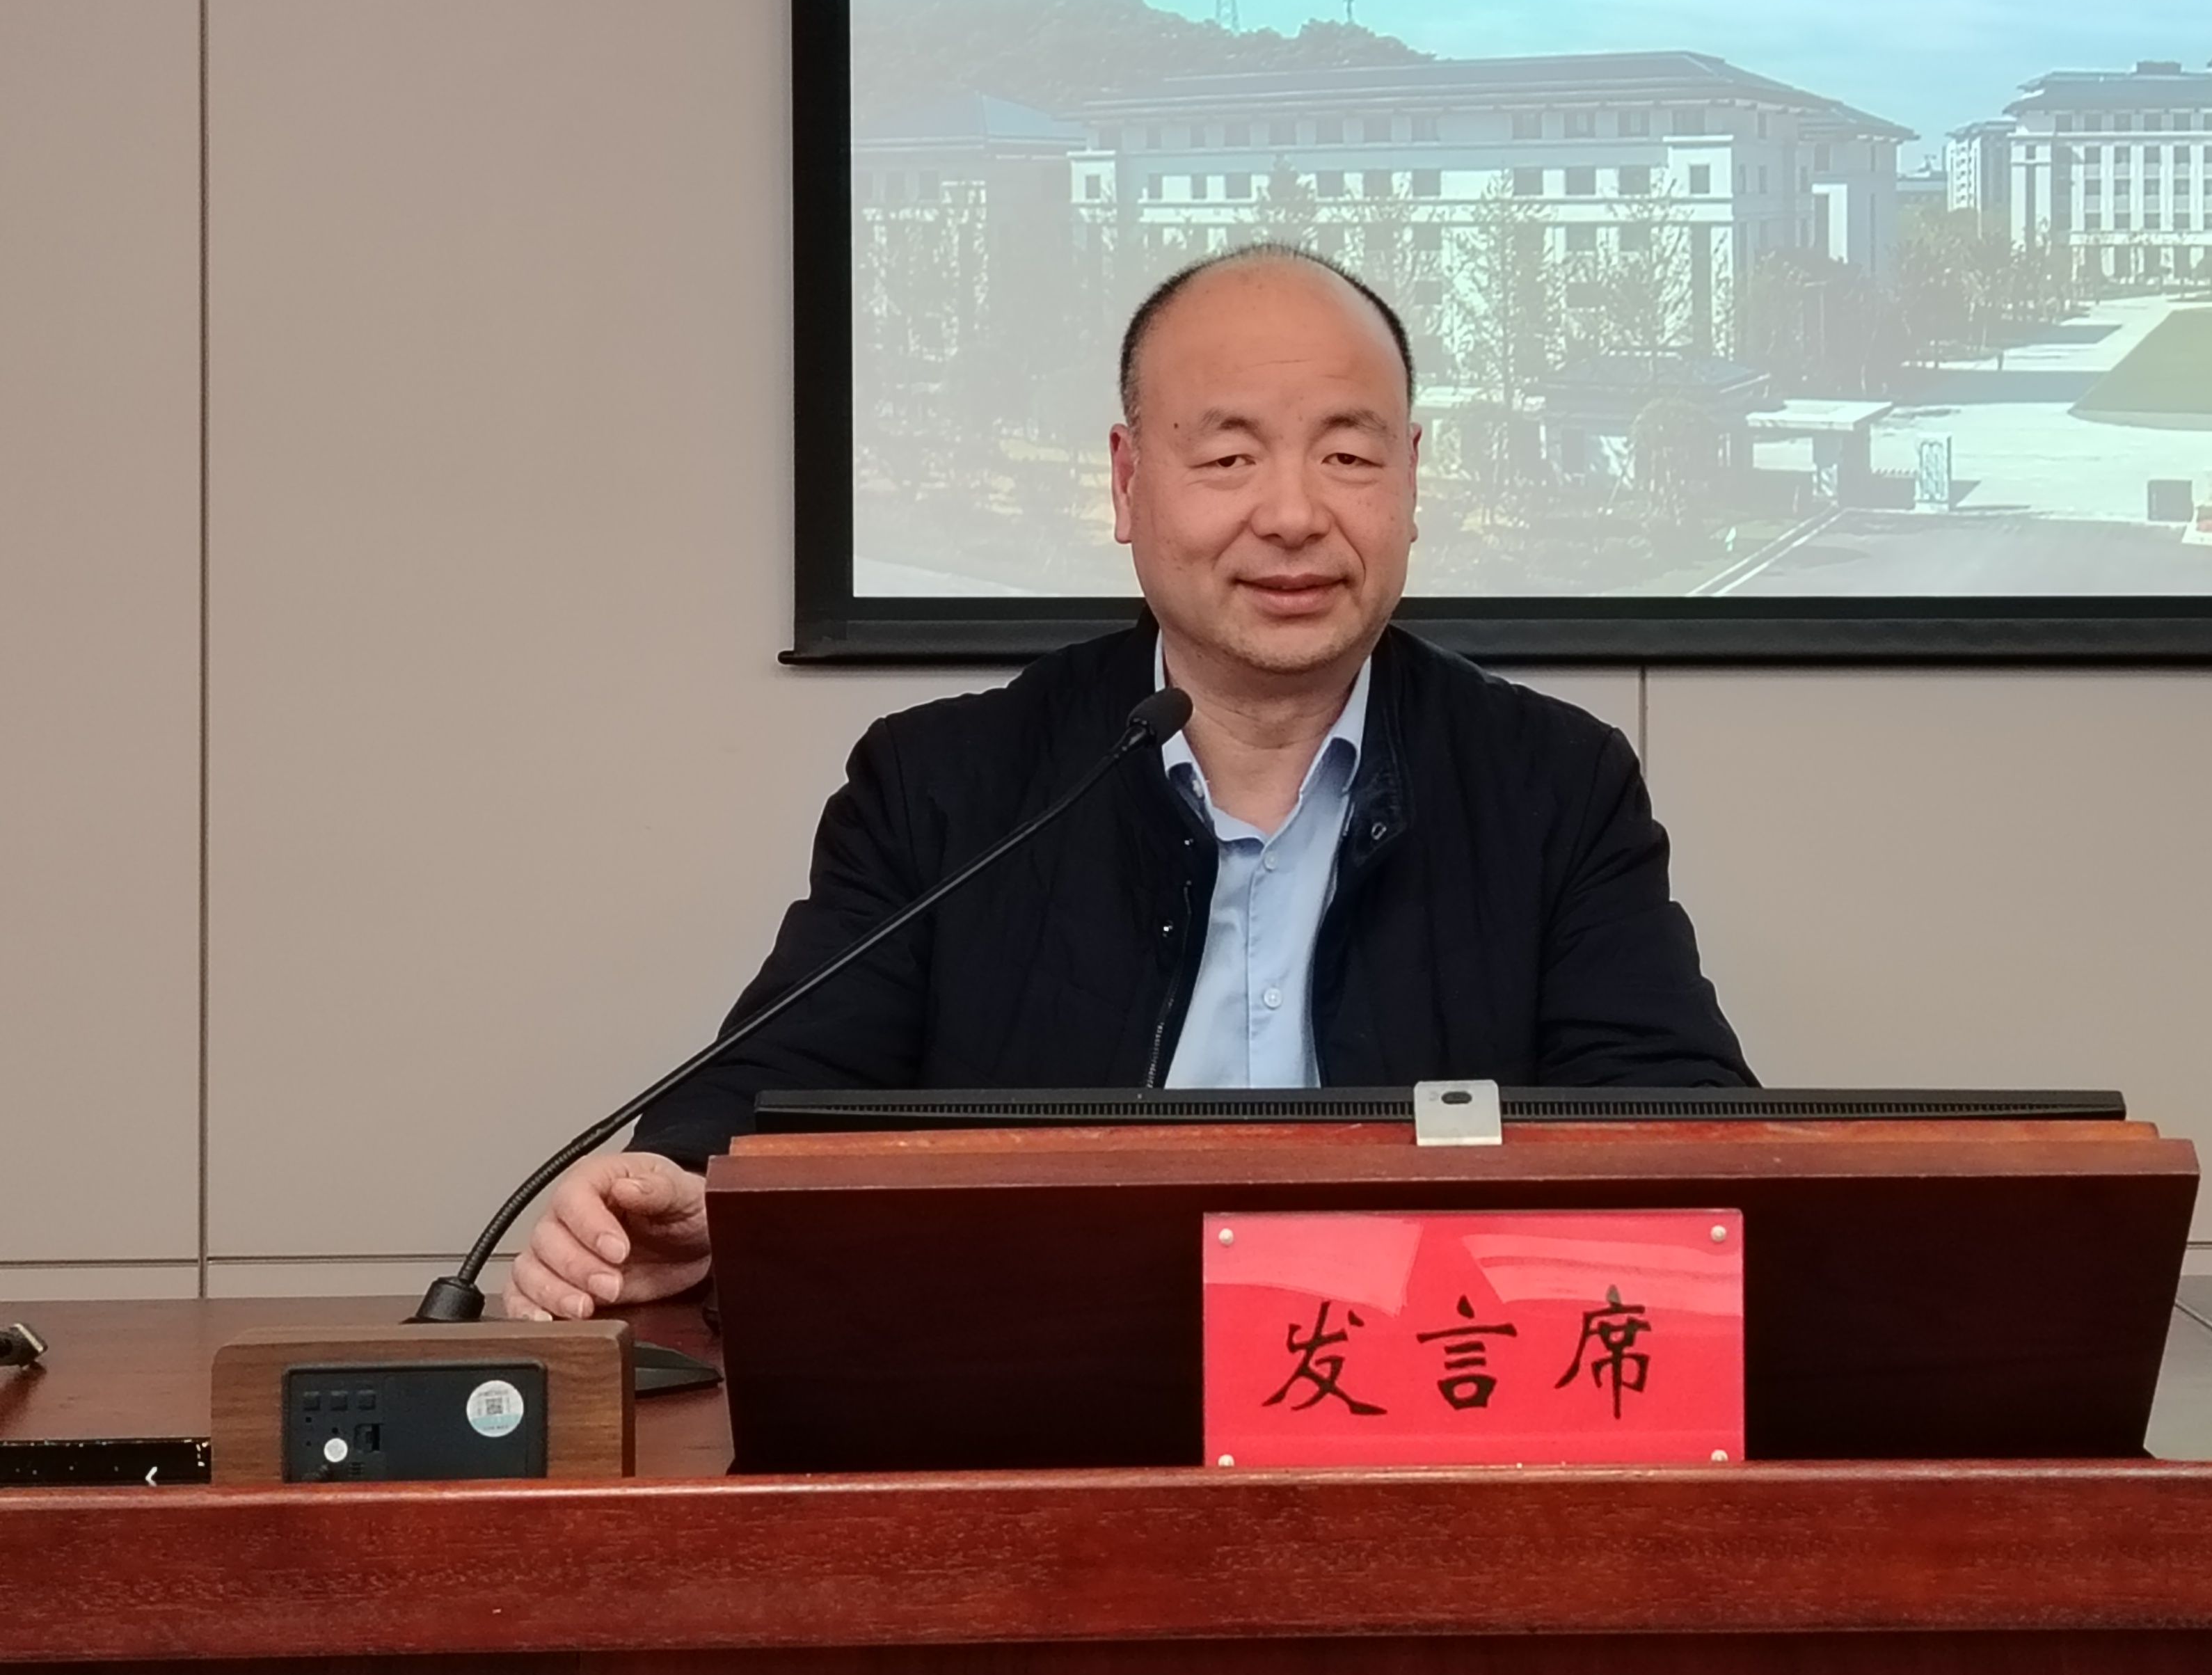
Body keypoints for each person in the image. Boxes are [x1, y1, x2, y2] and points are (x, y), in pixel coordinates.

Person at [501, 245, 1753, 1319]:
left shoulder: (1551, 784)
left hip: (1422, 1402)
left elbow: (1687, 1139)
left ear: (1412, 480)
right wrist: (683, 1192)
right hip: (1041, 1399)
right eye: (1229, 459)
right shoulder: (950, 786)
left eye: (1348, 456)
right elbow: (776, 1105)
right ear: (1126, 480)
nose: (1294, 515)